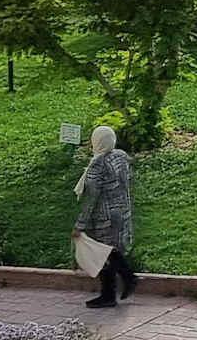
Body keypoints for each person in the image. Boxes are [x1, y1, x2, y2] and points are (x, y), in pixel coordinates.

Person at [75, 125, 138, 308]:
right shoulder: (121, 157)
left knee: (102, 252)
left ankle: (123, 281)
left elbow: (91, 198)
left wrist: (80, 224)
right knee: (110, 251)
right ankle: (113, 290)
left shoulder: (98, 164)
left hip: (104, 217)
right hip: (122, 213)